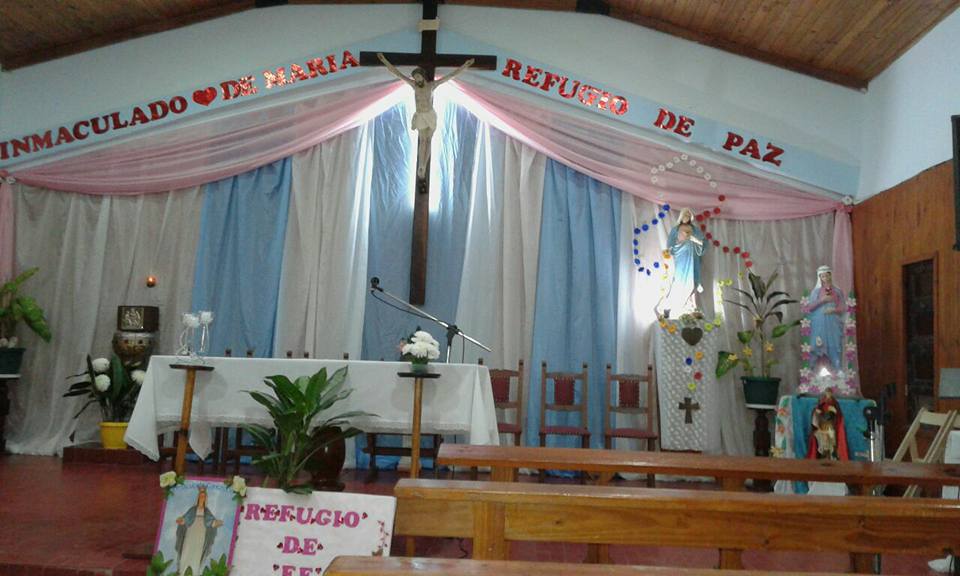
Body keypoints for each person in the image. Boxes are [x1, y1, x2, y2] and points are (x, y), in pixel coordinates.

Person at [377, 53, 475, 179]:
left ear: (423, 76)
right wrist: (384, 61)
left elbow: (450, 76)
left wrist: (465, 66)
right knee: (422, 140)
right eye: (415, 77)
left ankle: (424, 164)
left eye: (418, 77)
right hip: (420, 115)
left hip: (430, 115)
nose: (417, 79)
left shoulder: (431, 86)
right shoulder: (414, 85)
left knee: (428, 140)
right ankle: (421, 165)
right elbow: (397, 74)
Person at [660, 208, 705, 318]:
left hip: (693, 258)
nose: (686, 217)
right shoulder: (676, 229)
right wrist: (679, 245)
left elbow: (703, 243)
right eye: (685, 215)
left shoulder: (695, 230)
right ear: (681, 216)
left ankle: (691, 307)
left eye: (688, 216)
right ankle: (671, 306)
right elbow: (670, 245)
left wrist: (692, 239)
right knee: (679, 280)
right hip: (681, 257)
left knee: (692, 282)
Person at [803, 265, 846, 375]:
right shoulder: (816, 292)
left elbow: (842, 307)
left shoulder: (837, 291)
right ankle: (812, 371)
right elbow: (810, 307)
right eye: (823, 276)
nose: (825, 278)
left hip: (833, 323)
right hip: (819, 323)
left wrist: (833, 310)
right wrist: (822, 300)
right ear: (820, 278)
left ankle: (837, 370)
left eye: (827, 275)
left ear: (831, 276)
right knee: (817, 345)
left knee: (834, 345)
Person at [175, 486, 223, 576]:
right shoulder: (193, 509)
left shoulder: (206, 511)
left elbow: (211, 522)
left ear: (205, 498)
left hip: (201, 533)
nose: (202, 498)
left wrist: (217, 522)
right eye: (201, 496)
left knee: (197, 551)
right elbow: (185, 519)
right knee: (187, 548)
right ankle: (182, 571)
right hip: (191, 531)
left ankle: (194, 572)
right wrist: (181, 520)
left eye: (204, 496)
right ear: (198, 497)